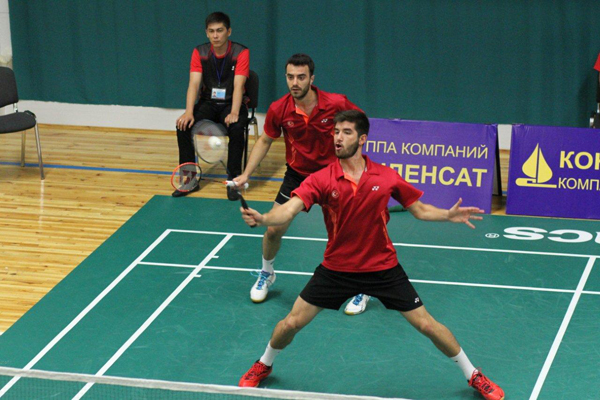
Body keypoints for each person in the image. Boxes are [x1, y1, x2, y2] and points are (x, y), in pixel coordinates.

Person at [237, 110, 505, 400]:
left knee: (427, 324)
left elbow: (419, 209)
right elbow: (290, 209)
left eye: (346, 132)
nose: (338, 138)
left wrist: (447, 215)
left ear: (362, 139)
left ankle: (473, 374)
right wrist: (265, 219)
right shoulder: (322, 179)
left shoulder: (386, 176)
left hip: (382, 268)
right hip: (336, 268)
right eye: (336, 132)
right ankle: (264, 364)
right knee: (291, 323)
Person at [233, 54, 370, 314]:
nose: (295, 82)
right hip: (297, 176)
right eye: (290, 77)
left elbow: (360, 122)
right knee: (273, 230)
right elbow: (265, 140)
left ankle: (362, 286)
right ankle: (267, 273)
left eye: (301, 77)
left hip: (332, 174)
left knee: (348, 233)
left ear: (312, 79)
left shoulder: (335, 103)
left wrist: (353, 157)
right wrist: (246, 174)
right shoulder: (279, 108)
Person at [174, 12, 249, 200]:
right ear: (207, 33)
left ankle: (233, 182)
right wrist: (189, 112)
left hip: (231, 103)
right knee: (183, 125)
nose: (216, 35)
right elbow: (194, 84)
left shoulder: (241, 52)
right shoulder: (199, 52)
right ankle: (190, 180)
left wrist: (234, 112)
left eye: (220, 31)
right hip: (208, 103)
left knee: (237, 127)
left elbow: (239, 85)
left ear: (228, 32)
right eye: (211, 31)